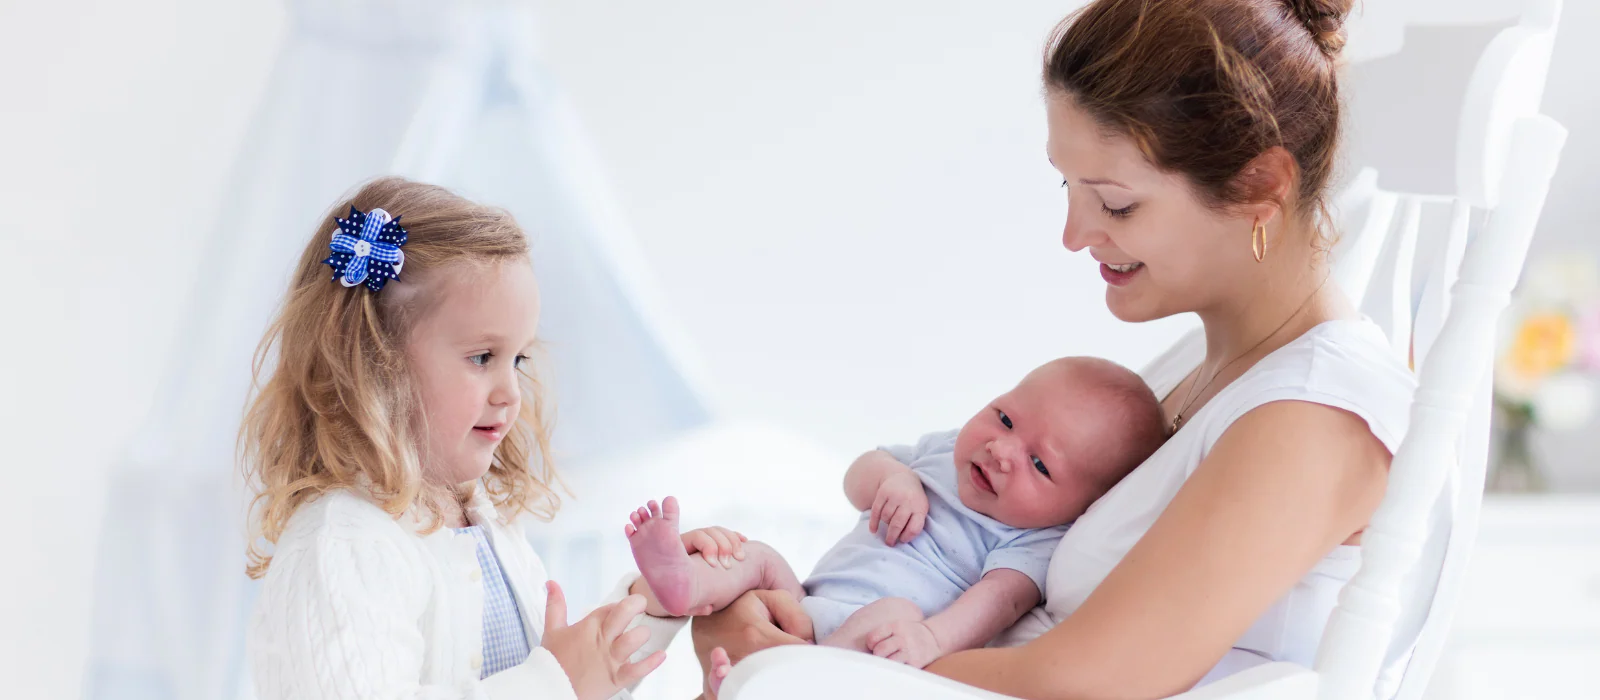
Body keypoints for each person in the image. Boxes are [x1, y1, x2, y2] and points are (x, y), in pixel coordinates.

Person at [687, 1, 1417, 697]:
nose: (1074, 234)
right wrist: (768, 627)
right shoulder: (1196, 379)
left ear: (1260, 183)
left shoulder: (1316, 417)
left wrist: (800, 671)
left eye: (1116, 202)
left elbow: (1083, 679)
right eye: (1066, 187)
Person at [241, 177, 696, 699]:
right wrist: (556, 684)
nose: (510, 392)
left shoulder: (484, 526)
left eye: (518, 359)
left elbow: (563, 682)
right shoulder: (344, 544)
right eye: (482, 357)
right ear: (373, 364)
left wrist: (652, 603)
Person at [622, 358, 1166, 690]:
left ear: (1078, 509)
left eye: (1040, 464)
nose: (1001, 450)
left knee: (895, 608)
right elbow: (859, 471)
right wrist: (892, 479)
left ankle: (791, 682)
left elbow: (995, 604)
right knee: (756, 555)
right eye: (1004, 417)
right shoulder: (947, 451)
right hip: (804, 600)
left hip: (868, 638)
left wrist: (928, 636)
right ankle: (682, 585)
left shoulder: (1033, 541)